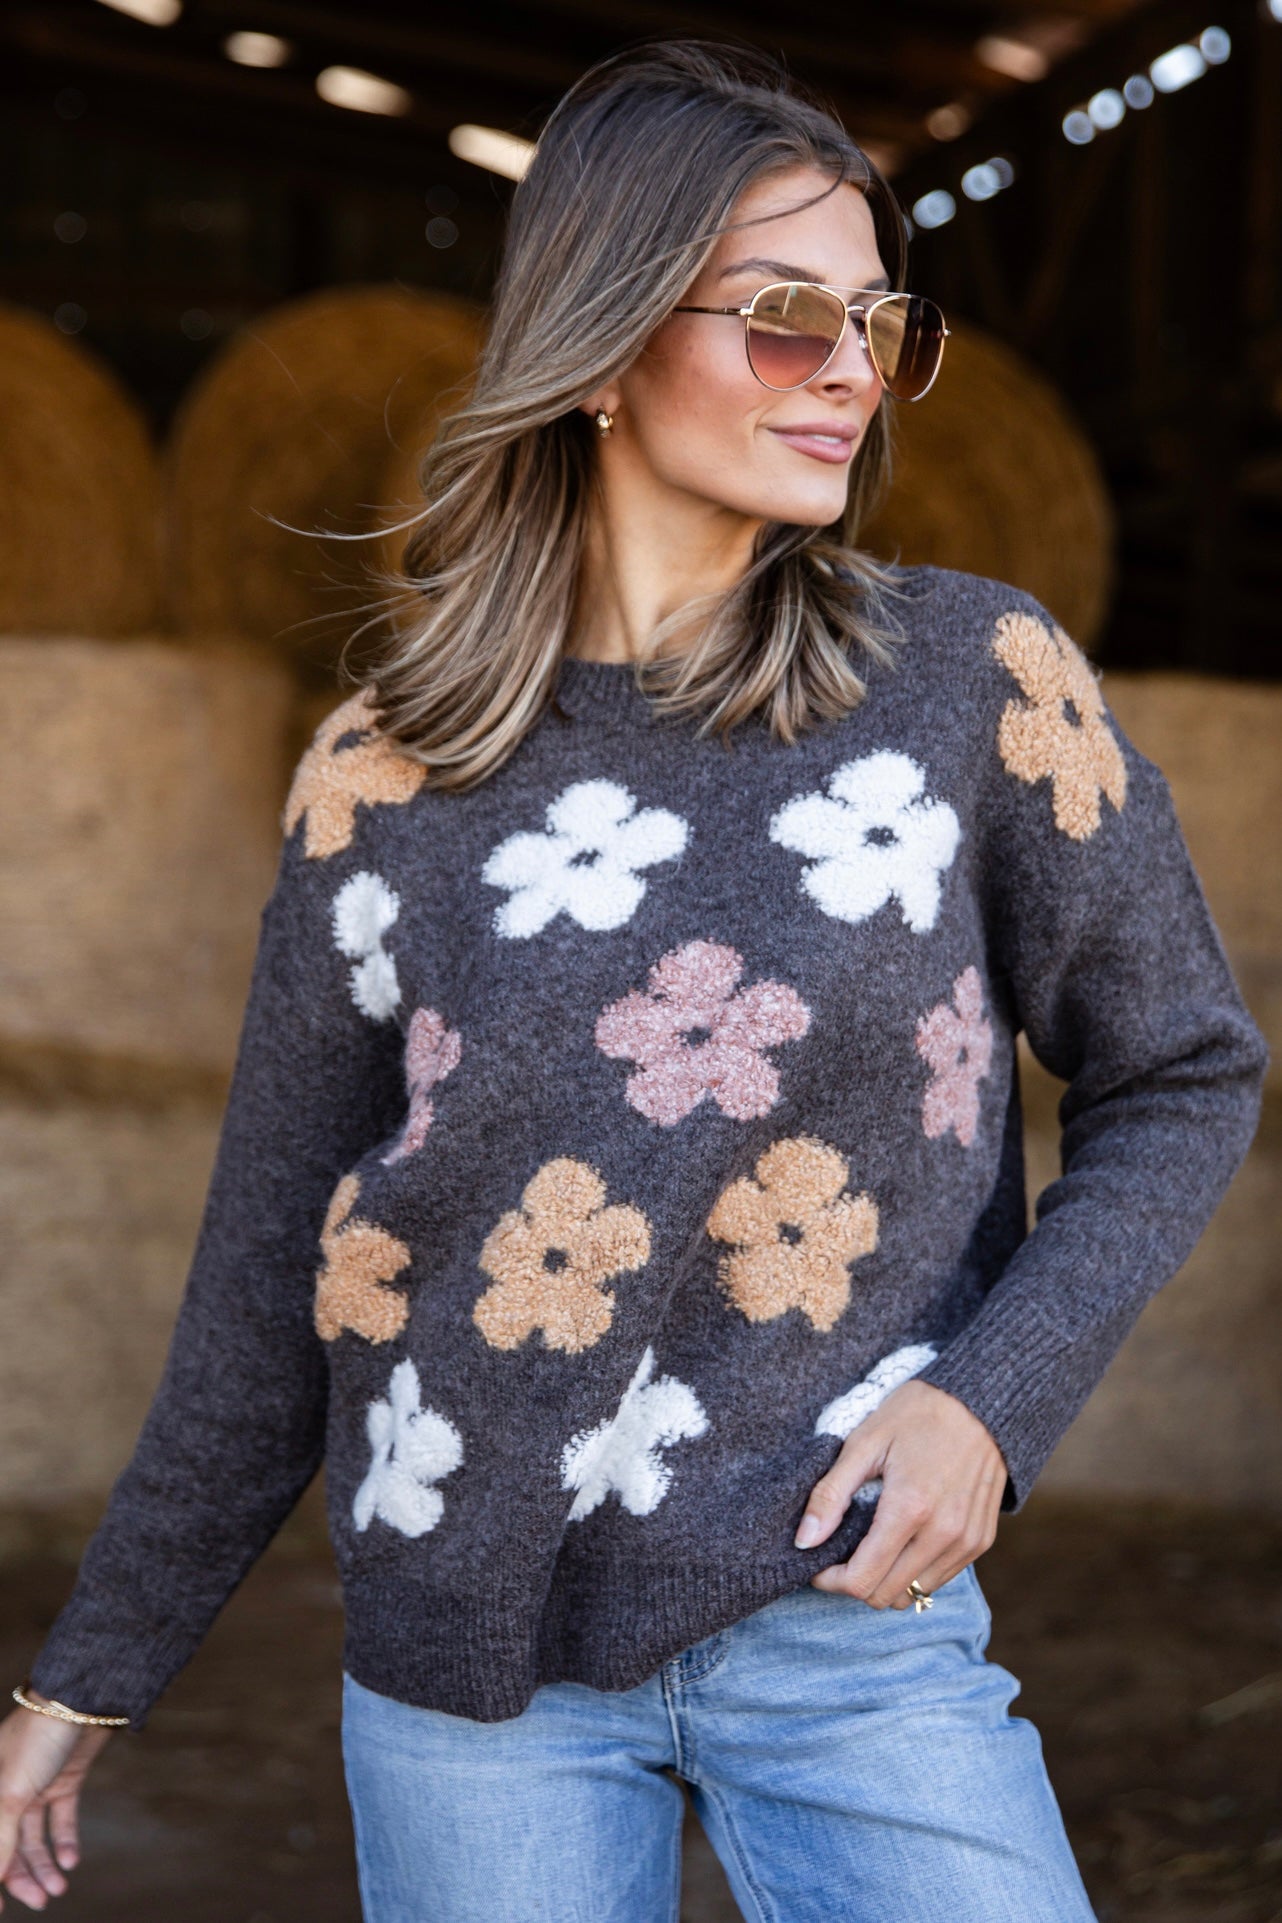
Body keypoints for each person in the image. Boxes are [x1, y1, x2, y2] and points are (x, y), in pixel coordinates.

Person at [1, 39, 1268, 1923]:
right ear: (599, 343)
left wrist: (986, 1403)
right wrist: (84, 1674)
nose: (848, 368)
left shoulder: (966, 686)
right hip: (464, 1668)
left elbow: (1180, 1069)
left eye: (874, 321)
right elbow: (285, 1266)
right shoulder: (387, 775)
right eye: (779, 317)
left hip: (845, 1632)